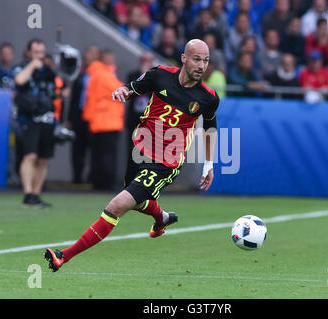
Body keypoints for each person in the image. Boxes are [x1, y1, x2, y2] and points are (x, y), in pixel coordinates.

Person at [44, 39, 220, 272]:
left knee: (117, 205)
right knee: (137, 202)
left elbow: (210, 129)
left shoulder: (208, 97)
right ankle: (162, 218)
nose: (201, 65)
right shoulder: (159, 75)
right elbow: (130, 89)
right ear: (184, 58)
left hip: (166, 161)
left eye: (205, 61)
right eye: (197, 59)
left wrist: (209, 164)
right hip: (140, 150)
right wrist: (122, 91)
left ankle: (63, 256)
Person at [13, 39, 58, 208]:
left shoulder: (48, 71)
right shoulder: (22, 68)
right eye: (36, 52)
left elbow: (59, 90)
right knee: (30, 155)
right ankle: (28, 193)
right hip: (29, 119)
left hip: (46, 119)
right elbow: (19, 80)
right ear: (28, 52)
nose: (39, 56)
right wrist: (33, 65)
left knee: (43, 158)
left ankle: (36, 194)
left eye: (42, 52)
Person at [82, 49, 125, 191]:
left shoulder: (96, 73)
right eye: (110, 57)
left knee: (98, 155)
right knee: (107, 155)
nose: (113, 60)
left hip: (99, 121)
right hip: (107, 122)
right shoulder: (103, 74)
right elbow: (120, 89)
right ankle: (106, 183)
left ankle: (99, 182)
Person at [67, 45, 101, 184]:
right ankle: (77, 177)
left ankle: (93, 177)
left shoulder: (100, 75)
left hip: (94, 117)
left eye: (92, 53)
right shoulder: (80, 74)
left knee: (94, 149)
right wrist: (69, 118)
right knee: (77, 148)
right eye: (87, 52)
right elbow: (74, 98)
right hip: (79, 115)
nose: (88, 55)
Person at [125, 51, 155, 154]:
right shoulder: (133, 75)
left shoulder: (156, 79)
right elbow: (130, 93)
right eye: (143, 60)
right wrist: (142, 76)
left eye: (147, 61)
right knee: (131, 150)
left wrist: (146, 76)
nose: (145, 63)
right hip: (133, 119)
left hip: (148, 121)